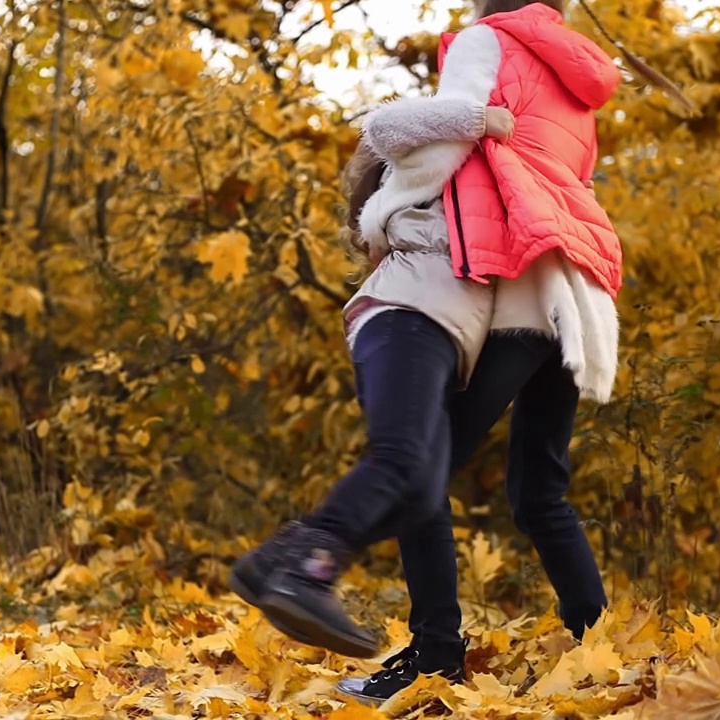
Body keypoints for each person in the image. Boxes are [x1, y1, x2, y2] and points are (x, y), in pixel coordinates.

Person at [229, 0, 624, 676]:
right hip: (578, 291)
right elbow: (565, 179)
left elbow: (435, 135)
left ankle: (428, 647)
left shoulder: (483, 41)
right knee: (540, 491)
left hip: (515, 292)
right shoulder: (581, 78)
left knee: (421, 475)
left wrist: (384, 211)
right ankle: (607, 649)